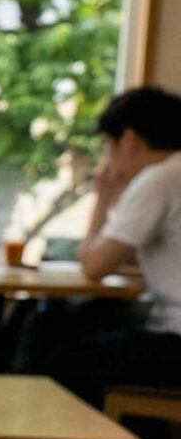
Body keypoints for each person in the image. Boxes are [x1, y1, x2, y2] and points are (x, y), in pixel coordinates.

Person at [26, 86, 181, 407]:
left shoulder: (158, 178)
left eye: (107, 147)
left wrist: (103, 197)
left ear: (129, 140)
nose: (108, 160)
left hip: (176, 340)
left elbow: (95, 266)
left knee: (52, 360)